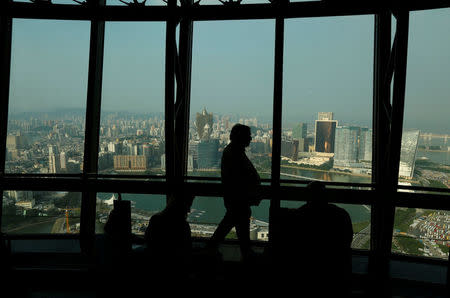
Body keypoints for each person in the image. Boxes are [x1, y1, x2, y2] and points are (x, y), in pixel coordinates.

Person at [207, 124, 264, 261]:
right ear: (241, 137)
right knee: (234, 226)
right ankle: (212, 250)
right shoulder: (233, 152)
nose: (250, 138)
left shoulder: (234, 151)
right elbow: (238, 179)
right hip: (238, 200)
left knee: (235, 226)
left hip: (237, 199)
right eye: (248, 135)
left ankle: (212, 250)